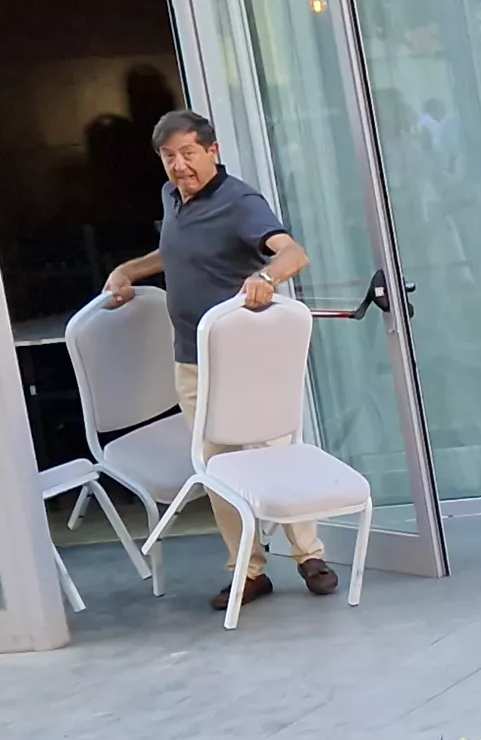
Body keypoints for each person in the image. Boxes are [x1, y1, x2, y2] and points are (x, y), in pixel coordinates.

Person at [99, 110, 330, 610]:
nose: (179, 166)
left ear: (212, 151)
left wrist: (266, 279)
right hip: (192, 359)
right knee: (217, 467)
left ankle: (309, 554)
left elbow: (293, 253)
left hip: (244, 359)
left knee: (274, 453)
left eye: (188, 153)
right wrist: (128, 270)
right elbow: (176, 250)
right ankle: (247, 569)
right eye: (168, 157)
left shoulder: (240, 201)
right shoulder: (171, 197)